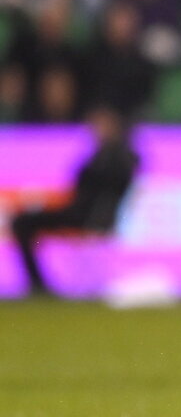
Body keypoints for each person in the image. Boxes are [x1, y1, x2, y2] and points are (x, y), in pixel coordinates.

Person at [12, 106, 138, 294]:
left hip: (86, 217)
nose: (96, 129)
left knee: (23, 223)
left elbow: (102, 187)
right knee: (23, 221)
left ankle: (37, 283)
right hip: (79, 212)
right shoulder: (104, 154)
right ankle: (37, 282)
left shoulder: (117, 157)